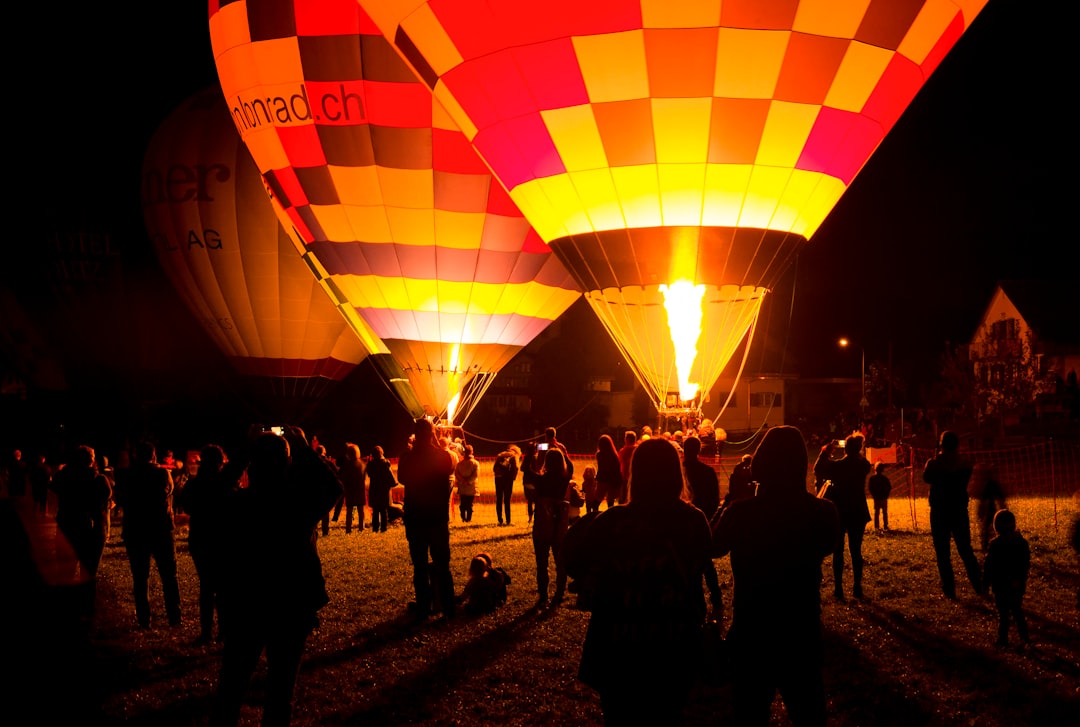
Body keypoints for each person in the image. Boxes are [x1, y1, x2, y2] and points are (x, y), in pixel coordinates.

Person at [563, 438, 713, 726]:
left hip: (619, 647)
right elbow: (701, 561)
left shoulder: (612, 521)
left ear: (635, 473)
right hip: (674, 645)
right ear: (675, 472)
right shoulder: (692, 520)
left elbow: (573, 557)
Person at [211, 427, 342, 727]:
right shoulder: (297, 506)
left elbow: (214, 493)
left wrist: (243, 454)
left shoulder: (238, 504)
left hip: (245, 603)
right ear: (287, 464)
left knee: (231, 685)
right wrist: (304, 448)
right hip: (291, 604)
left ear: (252, 465)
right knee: (281, 690)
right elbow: (333, 486)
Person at [713, 425, 840, 727]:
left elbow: (714, 546)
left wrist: (732, 503)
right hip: (800, 631)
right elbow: (826, 544)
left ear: (761, 463)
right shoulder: (823, 512)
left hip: (752, 632)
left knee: (749, 714)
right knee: (809, 714)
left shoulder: (741, 514)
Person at [112, 440, 183, 628]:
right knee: (169, 575)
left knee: (140, 577)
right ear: (153, 456)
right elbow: (167, 493)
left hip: (135, 529)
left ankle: (144, 620)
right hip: (160, 528)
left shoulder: (127, 476)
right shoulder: (162, 473)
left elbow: (120, 498)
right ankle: (174, 618)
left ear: (136, 456)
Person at [177, 444, 240, 644]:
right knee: (224, 588)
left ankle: (206, 632)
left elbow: (186, 505)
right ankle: (223, 631)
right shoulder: (225, 482)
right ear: (221, 462)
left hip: (200, 537)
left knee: (206, 586)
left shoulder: (194, 484)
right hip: (223, 538)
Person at [396, 418, 456, 622]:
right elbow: (449, 470)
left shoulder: (407, 458)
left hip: (416, 517)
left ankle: (423, 607)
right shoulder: (444, 456)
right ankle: (448, 606)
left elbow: (402, 478)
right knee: (442, 564)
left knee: (420, 566)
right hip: (437, 517)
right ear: (432, 434)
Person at [49, 445, 112, 620]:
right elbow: (106, 497)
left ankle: (65, 609)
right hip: (91, 530)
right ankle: (86, 610)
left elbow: (54, 491)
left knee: (65, 572)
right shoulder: (99, 480)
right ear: (91, 460)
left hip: (67, 526)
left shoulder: (62, 477)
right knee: (89, 573)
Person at [922, 430, 983, 599]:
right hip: (958, 510)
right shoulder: (965, 465)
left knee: (943, 553)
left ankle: (949, 589)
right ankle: (979, 585)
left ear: (941, 445)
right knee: (965, 549)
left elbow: (926, 477)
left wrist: (936, 459)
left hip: (940, 511)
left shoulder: (934, 464)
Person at [814, 433, 872, 600]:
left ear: (845, 448)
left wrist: (826, 451)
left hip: (840, 510)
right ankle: (857, 587)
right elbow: (862, 462)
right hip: (858, 510)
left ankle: (838, 588)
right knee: (856, 550)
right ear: (859, 448)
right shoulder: (863, 465)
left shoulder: (838, 466)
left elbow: (818, 468)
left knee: (838, 550)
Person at [682, 436, 724, 614]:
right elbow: (715, 499)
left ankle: (692, 603)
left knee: (685, 562)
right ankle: (715, 600)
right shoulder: (707, 472)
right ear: (699, 450)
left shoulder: (677, 471)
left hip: (680, 523)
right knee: (705, 561)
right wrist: (706, 516)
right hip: (701, 519)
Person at [532, 447, 573, 607]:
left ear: (546, 462)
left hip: (543, 523)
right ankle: (560, 593)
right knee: (560, 561)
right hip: (560, 525)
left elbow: (528, 472)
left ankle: (543, 595)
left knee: (542, 563)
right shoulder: (565, 479)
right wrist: (564, 452)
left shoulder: (541, 480)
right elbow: (570, 467)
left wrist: (530, 454)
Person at [983, 509, 1030, 646]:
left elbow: (989, 566)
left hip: (1000, 585)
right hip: (1016, 584)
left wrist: (986, 583)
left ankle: (1003, 639)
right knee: (1017, 611)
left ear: (996, 527)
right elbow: (1025, 564)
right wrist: (1021, 580)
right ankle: (1024, 637)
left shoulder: (995, 545)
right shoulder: (1021, 543)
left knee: (1003, 614)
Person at [457, 552, 510, 616]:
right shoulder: (487, 581)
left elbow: (463, 597)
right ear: (485, 569)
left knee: (460, 609)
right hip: (488, 607)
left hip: (474, 608)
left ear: (471, 569)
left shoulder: (472, 582)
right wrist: (499, 576)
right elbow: (497, 587)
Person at [972, 463, 1007, 552]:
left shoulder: (991, 484)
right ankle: (987, 545)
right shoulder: (989, 484)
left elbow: (999, 498)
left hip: (992, 511)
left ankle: (987, 545)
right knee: (987, 529)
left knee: (988, 529)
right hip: (991, 511)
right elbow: (996, 498)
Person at [366, 445, 397, 533]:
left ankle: (375, 528)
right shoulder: (385, 463)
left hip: (374, 489)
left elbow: (369, 473)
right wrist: (393, 483)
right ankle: (384, 528)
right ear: (381, 453)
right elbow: (390, 476)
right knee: (384, 510)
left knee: (375, 510)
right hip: (384, 489)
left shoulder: (371, 464)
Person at [338, 443, 367, 534]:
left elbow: (341, 477)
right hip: (359, 489)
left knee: (349, 511)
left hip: (350, 489)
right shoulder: (362, 464)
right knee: (361, 510)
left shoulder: (346, 465)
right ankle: (361, 527)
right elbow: (364, 477)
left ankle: (348, 528)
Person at [492, 444, 520, 526]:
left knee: (499, 499)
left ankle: (500, 519)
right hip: (508, 480)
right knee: (507, 500)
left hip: (498, 479)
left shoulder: (500, 455)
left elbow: (494, 468)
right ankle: (508, 520)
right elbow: (516, 468)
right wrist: (513, 478)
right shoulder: (514, 456)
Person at [595, 434, 622, 509]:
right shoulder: (614, 455)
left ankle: (594, 515)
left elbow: (601, 468)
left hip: (603, 479)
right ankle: (610, 517)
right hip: (613, 480)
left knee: (596, 501)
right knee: (610, 502)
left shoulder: (599, 455)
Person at [454, 444, 479, 523]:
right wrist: (468, 481)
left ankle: (463, 517)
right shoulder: (475, 463)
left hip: (462, 487)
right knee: (469, 504)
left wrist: (462, 481)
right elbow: (476, 475)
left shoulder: (460, 464)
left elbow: (457, 473)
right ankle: (468, 518)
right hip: (471, 487)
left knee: (463, 503)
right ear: (472, 452)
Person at [868, 461, 892, 532]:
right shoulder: (885, 479)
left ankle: (876, 526)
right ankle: (885, 525)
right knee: (884, 512)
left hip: (877, 498)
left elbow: (870, 488)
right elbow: (889, 487)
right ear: (882, 470)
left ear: (875, 469)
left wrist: (874, 495)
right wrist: (886, 495)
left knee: (876, 512)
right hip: (883, 498)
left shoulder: (872, 479)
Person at [616, 430, 637, 504]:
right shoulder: (638, 449)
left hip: (625, 477)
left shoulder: (624, 451)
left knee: (624, 498)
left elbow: (619, 462)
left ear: (627, 439)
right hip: (636, 476)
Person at [521, 443, 540, 525]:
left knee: (529, 501)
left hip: (527, 482)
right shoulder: (537, 458)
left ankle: (530, 517)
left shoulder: (526, 458)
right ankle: (537, 517)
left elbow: (522, 468)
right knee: (537, 501)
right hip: (535, 482)